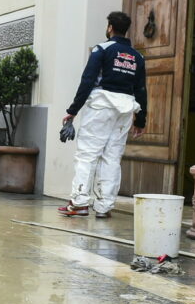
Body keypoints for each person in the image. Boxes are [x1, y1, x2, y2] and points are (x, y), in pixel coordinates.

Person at [59, 11, 148, 218]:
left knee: (87, 155)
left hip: (100, 107)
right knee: (112, 157)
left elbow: (87, 81)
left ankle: (80, 202)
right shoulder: (137, 57)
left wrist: (72, 111)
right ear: (126, 29)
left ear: (110, 27)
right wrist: (141, 120)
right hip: (125, 109)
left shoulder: (102, 49)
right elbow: (141, 90)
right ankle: (104, 207)